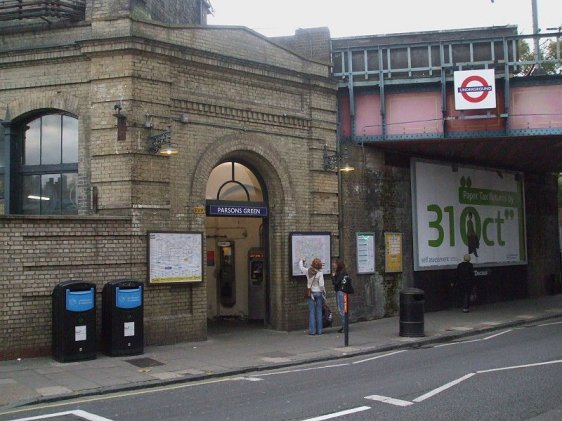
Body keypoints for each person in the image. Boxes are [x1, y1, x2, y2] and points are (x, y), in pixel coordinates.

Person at [299, 257, 326, 335]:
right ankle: (320, 331)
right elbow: (321, 286)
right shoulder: (320, 273)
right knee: (319, 312)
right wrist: (324, 292)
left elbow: (301, 268)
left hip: (310, 293)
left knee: (311, 312)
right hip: (318, 293)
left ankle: (312, 331)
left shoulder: (308, 271)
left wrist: (301, 260)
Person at [331, 258, 348, 333]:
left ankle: (345, 327)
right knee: (342, 309)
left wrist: (333, 276)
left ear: (339, 264)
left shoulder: (342, 273)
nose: (333, 264)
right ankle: (344, 326)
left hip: (341, 292)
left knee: (341, 310)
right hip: (342, 292)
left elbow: (336, 283)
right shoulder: (342, 272)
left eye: (335, 263)